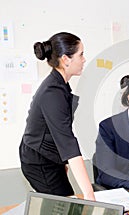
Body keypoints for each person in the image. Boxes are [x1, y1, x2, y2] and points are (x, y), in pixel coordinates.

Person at [19, 32, 95, 201]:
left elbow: (57, 131)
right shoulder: (52, 92)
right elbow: (67, 141)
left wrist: (62, 163)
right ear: (66, 59)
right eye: (80, 54)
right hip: (39, 161)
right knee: (63, 203)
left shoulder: (60, 85)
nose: (84, 59)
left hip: (49, 156)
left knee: (63, 200)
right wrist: (89, 193)